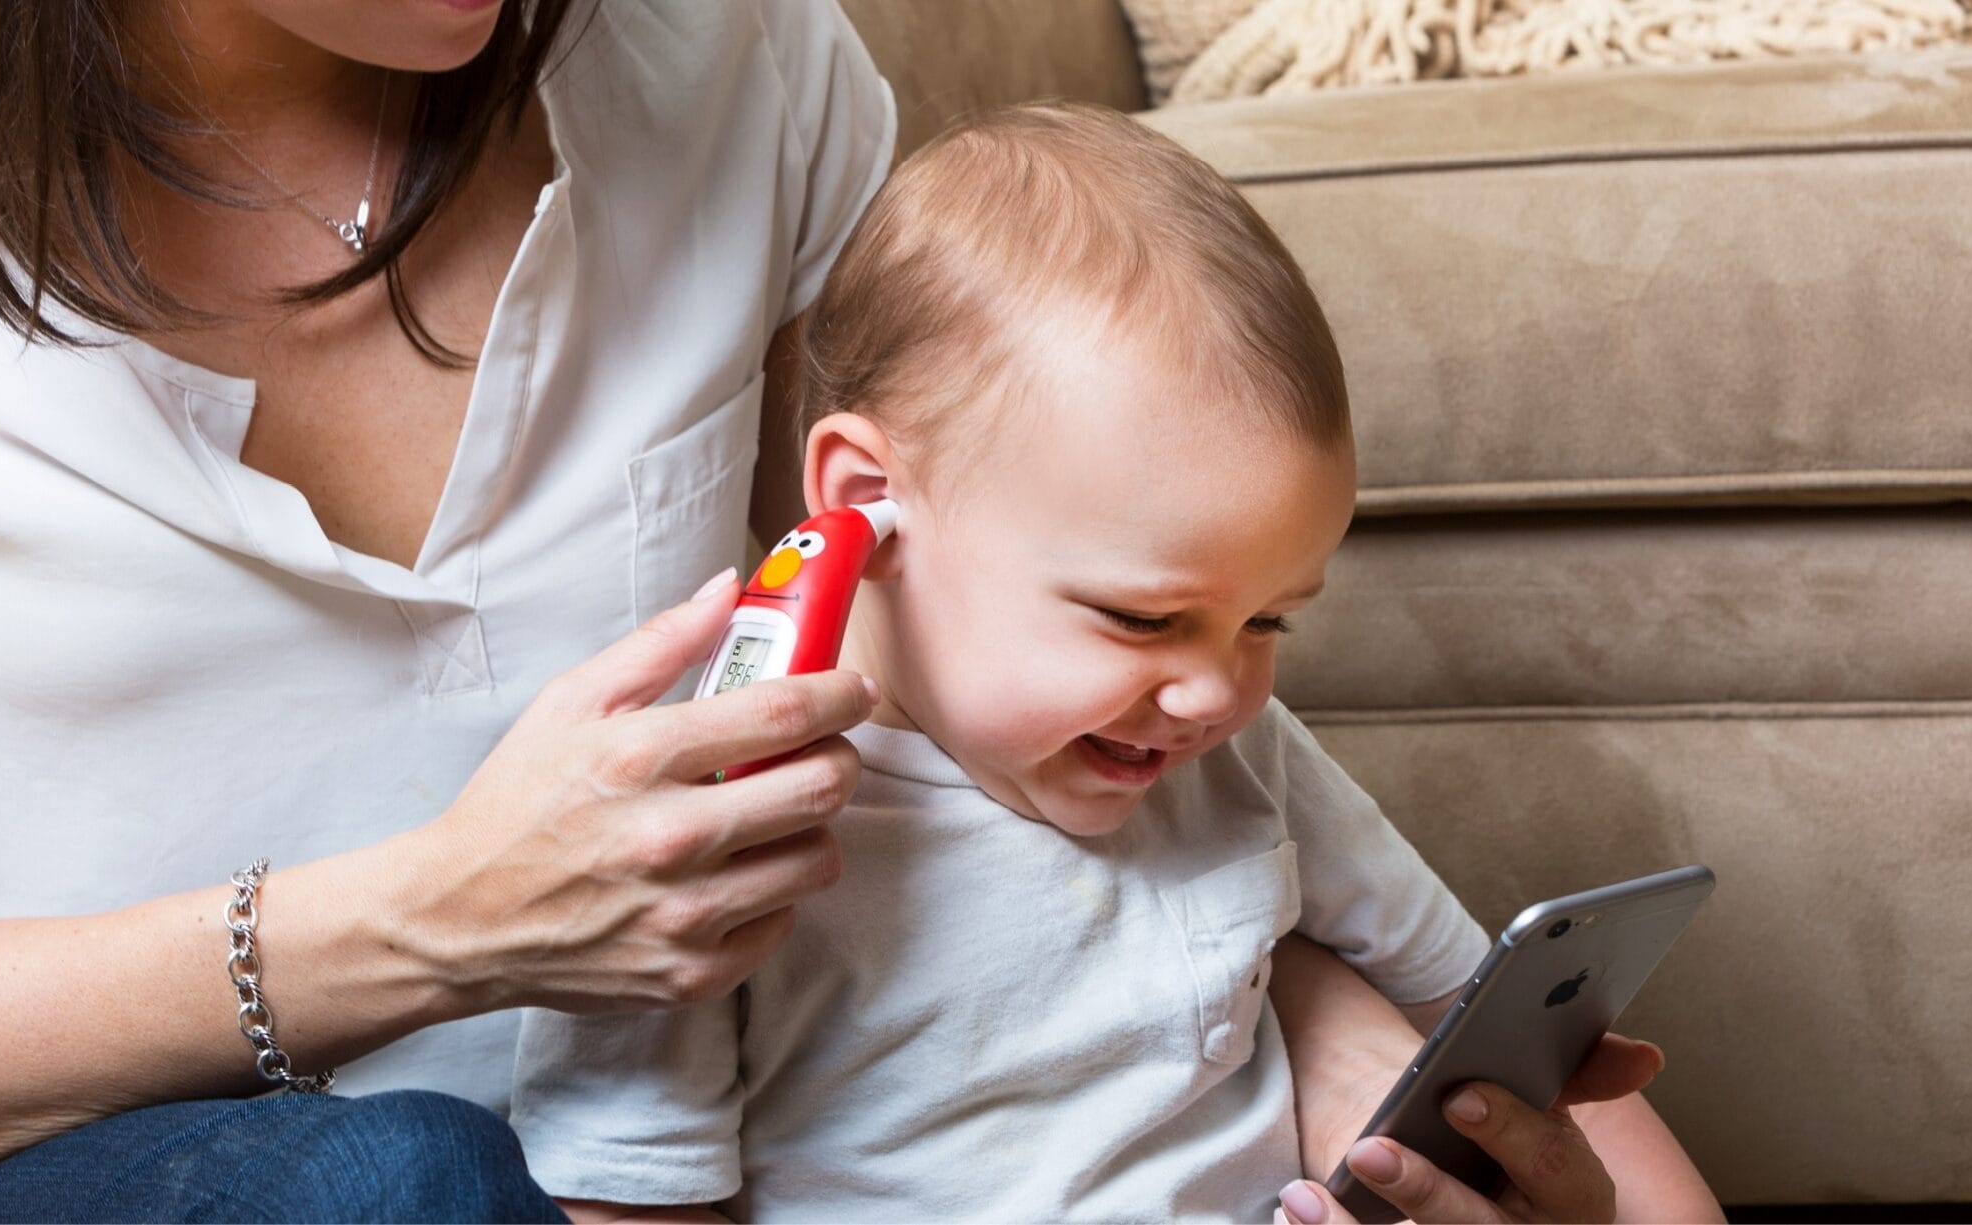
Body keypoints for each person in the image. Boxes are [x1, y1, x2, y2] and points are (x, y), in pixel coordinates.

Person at [0, 0, 1673, 1218]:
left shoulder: (731, 62)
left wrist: (1300, 1017)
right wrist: (430, 925)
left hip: (682, 1157)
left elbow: (984, 650)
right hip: (125, 1184)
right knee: (394, 1185)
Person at [507, 102, 1724, 1224]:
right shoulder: (709, 818)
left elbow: (1467, 1004)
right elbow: (632, 1195)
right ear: (869, 505)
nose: (1214, 692)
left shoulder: (1245, 755)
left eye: (1266, 621)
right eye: (1144, 620)